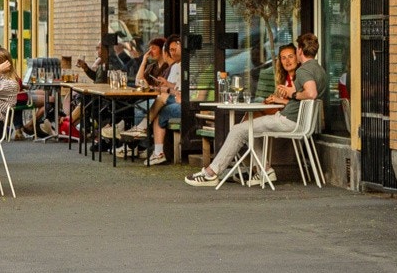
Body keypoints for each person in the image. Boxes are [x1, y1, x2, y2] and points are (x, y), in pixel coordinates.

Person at [185, 32, 328, 187]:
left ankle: (211, 173)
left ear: (299, 50)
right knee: (251, 128)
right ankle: (264, 170)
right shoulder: (320, 70)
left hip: (289, 121)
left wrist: (292, 93)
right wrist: (288, 94)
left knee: (238, 130)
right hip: (300, 122)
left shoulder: (303, 70)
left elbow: (311, 93)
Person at [124, 35, 184, 166]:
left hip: (185, 105)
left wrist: (167, 89)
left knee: (155, 102)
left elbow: (186, 93)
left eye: (174, 49)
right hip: (175, 100)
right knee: (152, 107)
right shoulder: (175, 66)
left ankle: (140, 137)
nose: (172, 53)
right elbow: (177, 88)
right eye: (171, 50)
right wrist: (167, 85)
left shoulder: (185, 66)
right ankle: (155, 151)